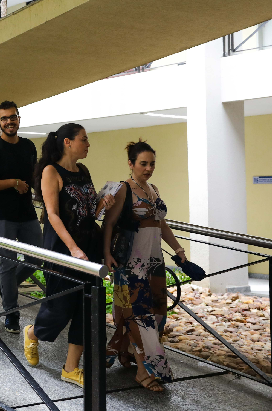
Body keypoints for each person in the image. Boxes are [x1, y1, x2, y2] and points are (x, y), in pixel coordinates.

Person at [22, 123, 114, 388]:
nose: (88, 144)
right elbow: (52, 214)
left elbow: (89, 213)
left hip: (89, 248)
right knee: (59, 307)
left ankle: (71, 369)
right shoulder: (51, 171)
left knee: (87, 309)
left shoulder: (83, 171)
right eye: (83, 139)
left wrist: (101, 204)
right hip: (64, 248)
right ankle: (34, 332)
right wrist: (73, 248)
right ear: (67, 142)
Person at [102, 140, 186, 392]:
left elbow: (161, 225)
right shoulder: (123, 189)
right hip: (128, 265)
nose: (148, 168)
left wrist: (179, 250)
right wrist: (106, 255)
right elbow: (108, 224)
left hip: (154, 262)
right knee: (135, 316)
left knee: (158, 314)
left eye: (152, 164)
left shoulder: (154, 189)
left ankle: (126, 353)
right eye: (143, 163)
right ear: (131, 164)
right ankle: (144, 371)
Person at [0, 101, 41, 334]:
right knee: (7, 262)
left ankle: (7, 286)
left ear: (18, 118)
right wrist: (12, 183)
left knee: (37, 256)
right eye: (4, 118)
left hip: (26, 211)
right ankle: (11, 313)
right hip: (1, 213)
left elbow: (34, 176)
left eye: (12, 117)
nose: (9, 121)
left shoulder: (28, 146)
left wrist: (42, 198)